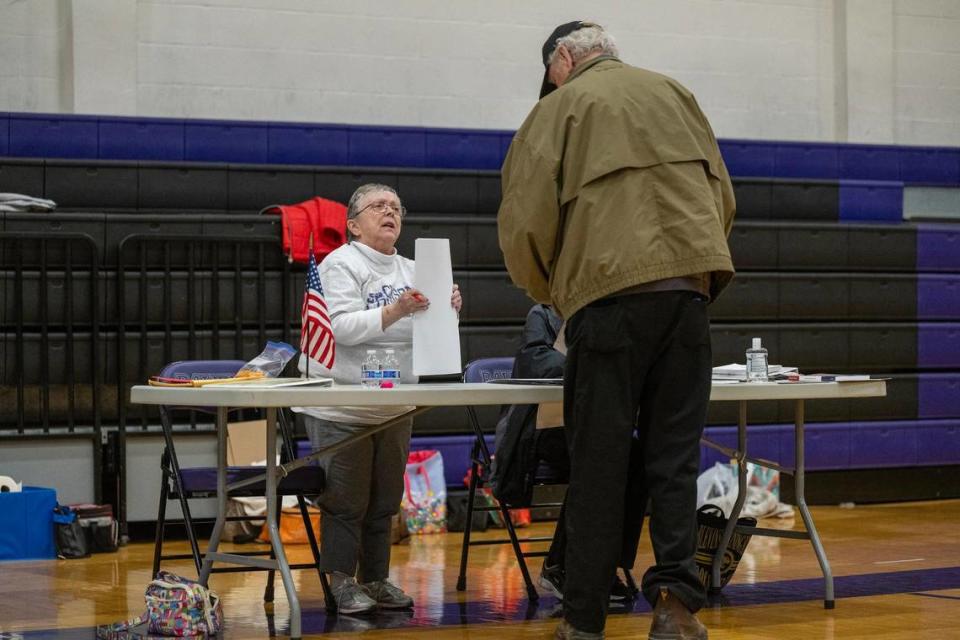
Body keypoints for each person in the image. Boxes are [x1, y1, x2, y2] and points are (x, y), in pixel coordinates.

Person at [498, 22, 736, 640]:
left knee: (600, 463)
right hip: (687, 296)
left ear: (562, 63)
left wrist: (557, 295)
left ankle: (583, 620)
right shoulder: (675, 92)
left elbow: (524, 223)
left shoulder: (556, 109)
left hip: (608, 301)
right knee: (674, 461)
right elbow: (723, 197)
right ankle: (676, 609)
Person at [294, 183, 462, 615]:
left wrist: (447, 310)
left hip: (393, 404)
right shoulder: (341, 264)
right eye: (378, 206)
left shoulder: (413, 268)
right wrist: (396, 311)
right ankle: (340, 582)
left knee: (385, 500)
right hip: (343, 404)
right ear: (353, 223)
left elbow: (422, 331)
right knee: (346, 500)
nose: (390, 212)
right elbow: (339, 327)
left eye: (395, 207)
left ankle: (375, 579)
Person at [491, 304, 644, 603]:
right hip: (546, 428)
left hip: (592, 421)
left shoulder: (607, 310)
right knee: (599, 459)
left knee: (636, 458)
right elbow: (535, 361)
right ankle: (560, 565)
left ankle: (606, 564)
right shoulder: (543, 313)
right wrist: (590, 362)